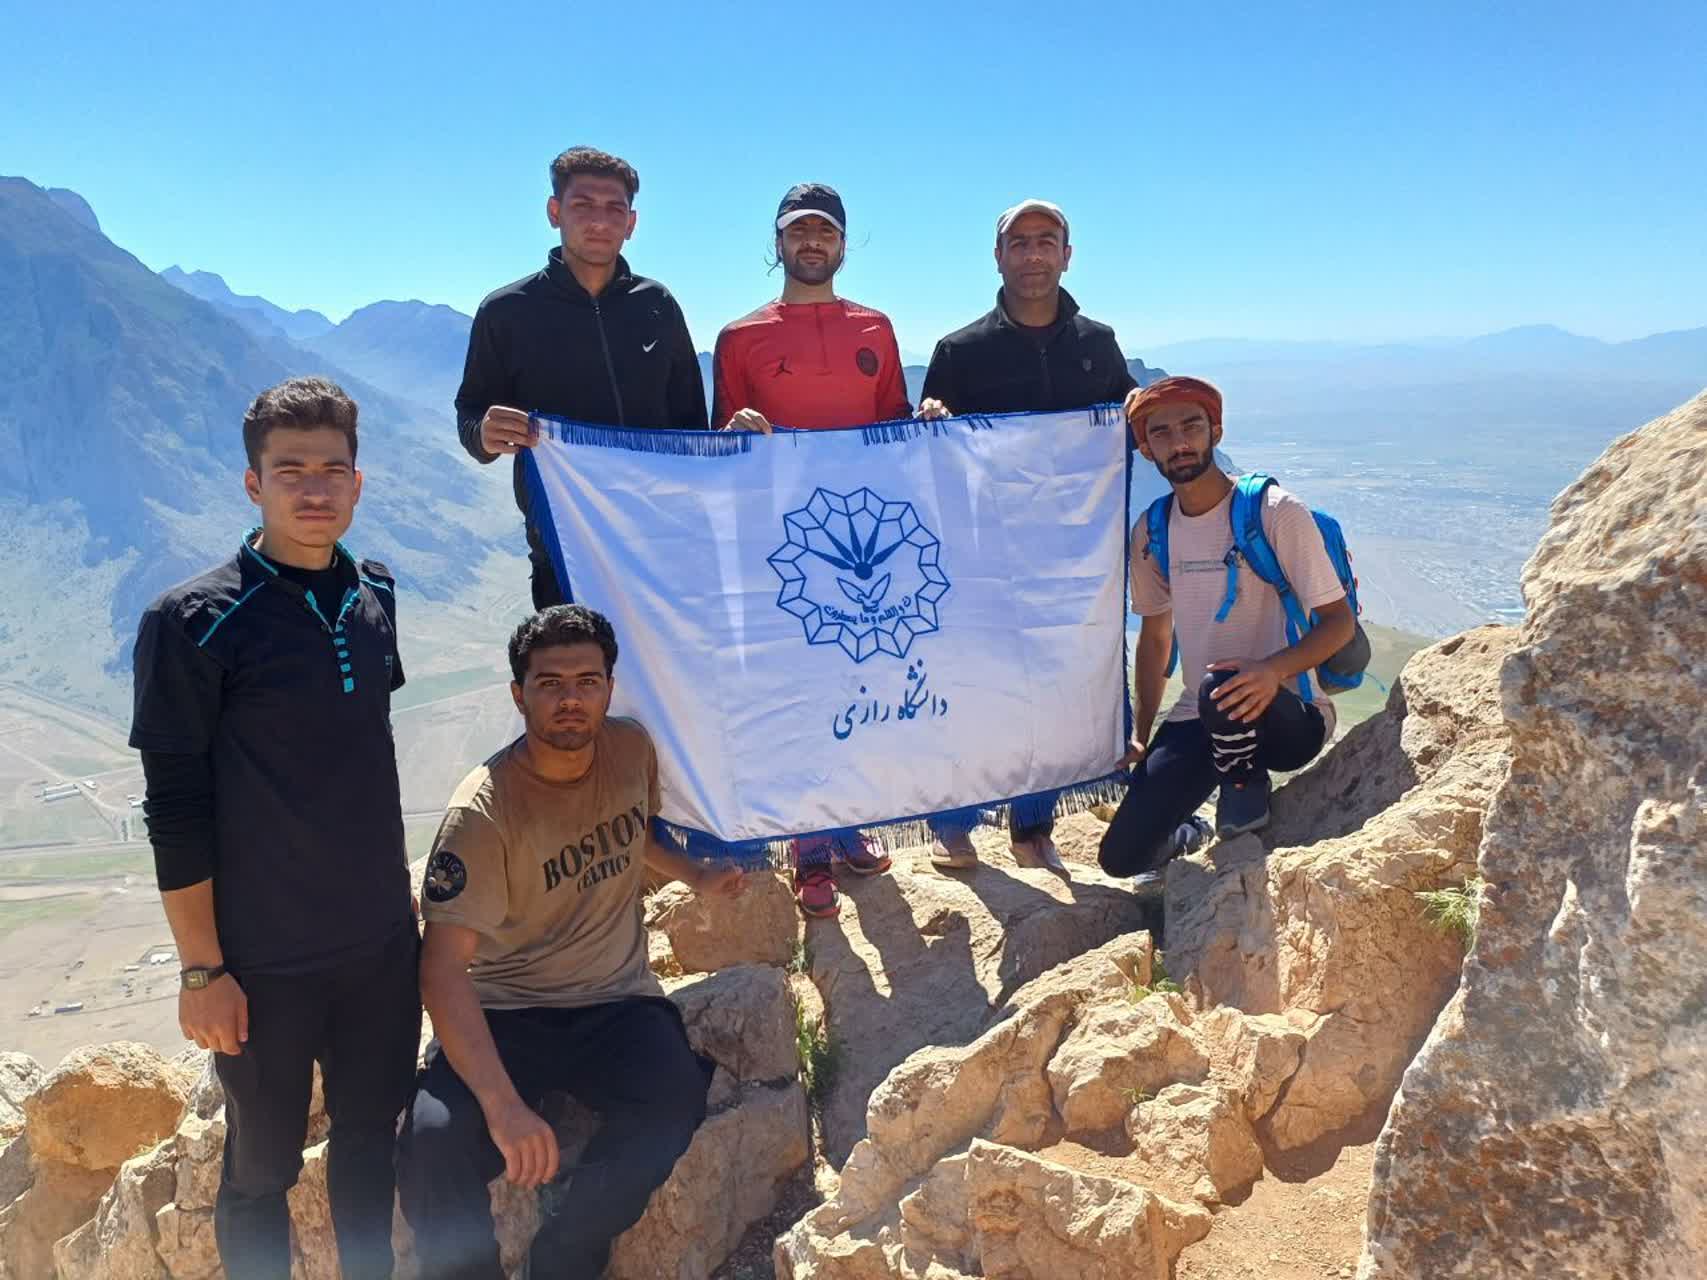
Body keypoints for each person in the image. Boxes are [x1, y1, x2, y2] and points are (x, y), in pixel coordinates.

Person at [130, 377, 418, 1280]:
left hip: (378, 945)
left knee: (371, 1138)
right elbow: (175, 806)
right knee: (261, 1169)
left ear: (358, 483)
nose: (314, 488)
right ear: (253, 483)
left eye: (332, 469)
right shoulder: (192, 621)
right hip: (263, 964)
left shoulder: (375, 592)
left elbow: (355, 751)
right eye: (290, 470)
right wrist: (201, 970)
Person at [397, 605, 743, 1280]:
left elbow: (636, 832)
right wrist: (502, 1108)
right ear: (518, 694)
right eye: (550, 683)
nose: (570, 699)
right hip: (506, 1011)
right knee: (433, 1145)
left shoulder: (630, 749)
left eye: (587, 681)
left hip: (615, 1000)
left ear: (609, 688)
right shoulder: (482, 811)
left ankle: (564, 1256)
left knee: (672, 1105)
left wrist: (697, 875)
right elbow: (441, 970)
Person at [917, 198, 1139, 873]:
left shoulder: (1096, 344)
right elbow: (930, 457)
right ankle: (952, 821)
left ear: (1067, 255)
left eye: (1046, 241)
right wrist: (931, 422)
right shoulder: (959, 351)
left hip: (1072, 554)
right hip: (983, 552)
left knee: (1053, 681)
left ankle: (1031, 827)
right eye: (1019, 242)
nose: (1033, 254)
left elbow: (1132, 421)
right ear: (998, 256)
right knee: (975, 678)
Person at [712, 181, 907, 916]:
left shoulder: (876, 328)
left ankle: (849, 821)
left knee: (857, 680)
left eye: (824, 230)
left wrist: (928, 421)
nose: (812, 242)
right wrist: (735, 432)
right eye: (799, 231)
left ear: (843, 243)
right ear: (778, 243)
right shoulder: (740, 338)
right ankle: (810, 851)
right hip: (784, 543)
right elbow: (719, 444)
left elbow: (892, 430)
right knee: (799, 690)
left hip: (864, 540)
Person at [1098, 377, 1356, 880]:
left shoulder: (1275, 512)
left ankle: (1245, 785)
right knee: (1120, 859)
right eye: (1161, 433)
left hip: (1289, 714)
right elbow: (1156, 639)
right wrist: (1141, 737)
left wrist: (1272, 671)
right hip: (1205, 711)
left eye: (1191, 426)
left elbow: (1339, 622)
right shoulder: (1152, 531)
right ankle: (1188, 831)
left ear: (1215, 430)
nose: (1179, 442)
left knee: (1222, 685)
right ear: (1146, 449)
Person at [455, 146, 709, 609]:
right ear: (554, 212)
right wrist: (484, 435)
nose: (599, 221)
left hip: (659, 546)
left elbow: (691, 423)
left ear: (632, 223)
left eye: (615, 209)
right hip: (561, 550)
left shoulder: (658, 306)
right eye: (583, 205)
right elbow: (471, 413)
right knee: (572, 659)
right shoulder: (506, 312)